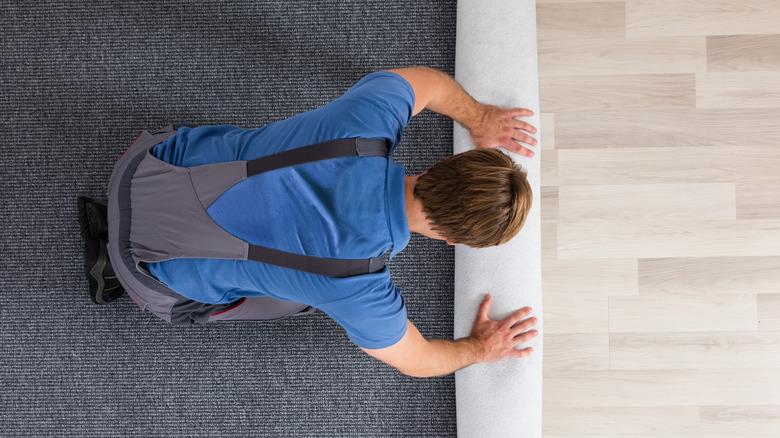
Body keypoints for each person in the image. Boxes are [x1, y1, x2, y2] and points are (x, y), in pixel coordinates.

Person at [78, 67, 539, 378]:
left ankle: (118, 224)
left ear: (444, 165)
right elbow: (417, 360)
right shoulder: (359, 288)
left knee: (240, 153)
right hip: (142, 270)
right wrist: (481, 349)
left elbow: (432, 84)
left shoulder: (370, 120)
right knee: (295, 301)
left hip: (139, 167)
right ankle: (110, 272)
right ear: (450, 239)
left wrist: (480, 116)